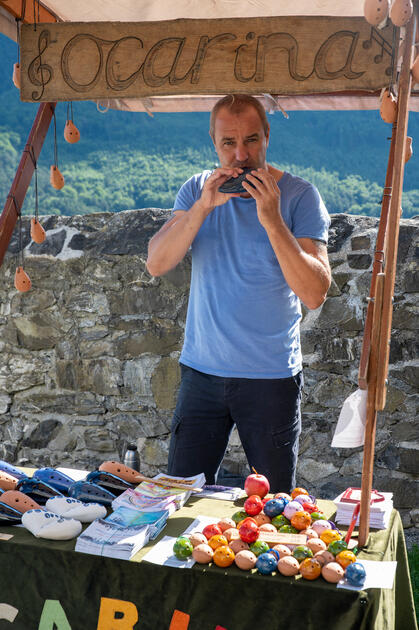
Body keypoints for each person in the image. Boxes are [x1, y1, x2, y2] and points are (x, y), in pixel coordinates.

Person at [146, 94, 331, 493]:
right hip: (201, 373)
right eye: (228, 143)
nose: (241, 154)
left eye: (251, 140)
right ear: (213, 143)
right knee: (180, 494)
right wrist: (202, 208)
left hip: (270, 376)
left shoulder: (299, 196)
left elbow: (315, 292)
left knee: (276, 503)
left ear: (267, 136)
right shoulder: (198, 189)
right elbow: (156, 263)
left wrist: (271, 218)